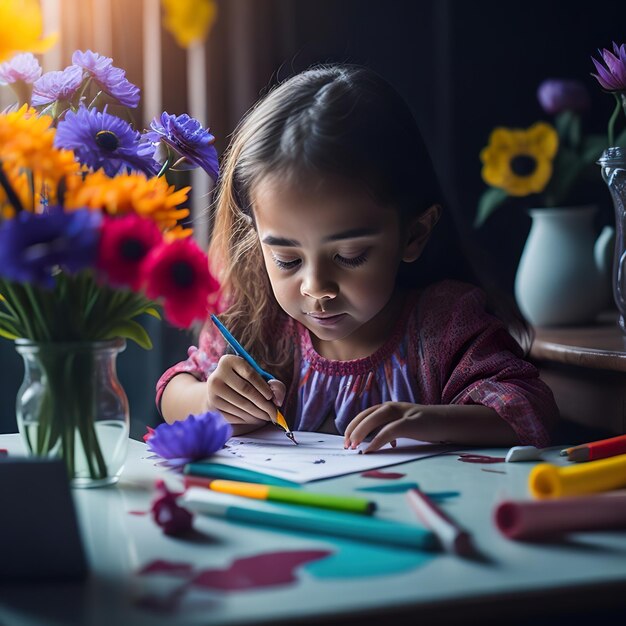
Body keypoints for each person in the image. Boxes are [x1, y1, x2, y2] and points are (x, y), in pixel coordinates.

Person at [156, 64, 558, 452]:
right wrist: (210, 403)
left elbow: (530, 410)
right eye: (286, 260)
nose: (316, 288)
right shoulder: (257, 321)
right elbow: (173, 390)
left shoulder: (445, 323)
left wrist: (433, 421)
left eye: (350, 255)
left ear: (414, 234)